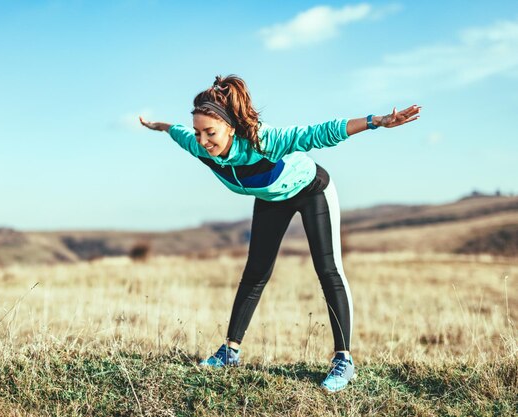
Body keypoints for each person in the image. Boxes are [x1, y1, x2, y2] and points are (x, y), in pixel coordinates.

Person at [139, 74, 420, 393]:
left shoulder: (264, 141)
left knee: (328, 270)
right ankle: (230, 351)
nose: (203, 141)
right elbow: (176, 132)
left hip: (311, 190)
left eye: (210, 132)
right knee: (255, 272)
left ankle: (344, 360)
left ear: (230, 127)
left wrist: (377, 121)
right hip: (272, 198)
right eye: (198, 132)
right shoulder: (200, 147)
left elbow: (319, 133)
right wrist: (159, 126)